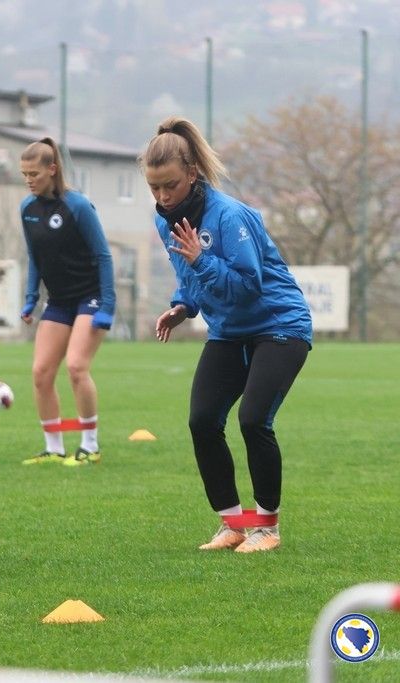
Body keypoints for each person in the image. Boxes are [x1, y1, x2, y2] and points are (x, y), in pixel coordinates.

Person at [141, 116, 311, 553]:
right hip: (229, 331)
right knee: (202, 421)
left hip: (279, 325)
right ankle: (233, 524)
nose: (162, 197)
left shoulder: (230, 215)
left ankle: (266, 528)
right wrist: (182, 306)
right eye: (154, 188)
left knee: (253, 420)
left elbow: (248, 285)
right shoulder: (167, 222)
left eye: (171, 186)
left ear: (193, 174)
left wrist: (201, 261)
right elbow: (192, 277)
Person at [18, 137, 115, 467]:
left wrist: (108, 307)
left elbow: (103, 256)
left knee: (76, 366)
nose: (29, 180)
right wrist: (31, 299)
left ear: (52, 169)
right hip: (58, 302)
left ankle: (90, 445)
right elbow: (35, 257)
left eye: (34, 174)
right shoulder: (27, 209)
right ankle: (54, 447)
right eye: (24, 174)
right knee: (41, 372)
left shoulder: (78, 206)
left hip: (91, 298)